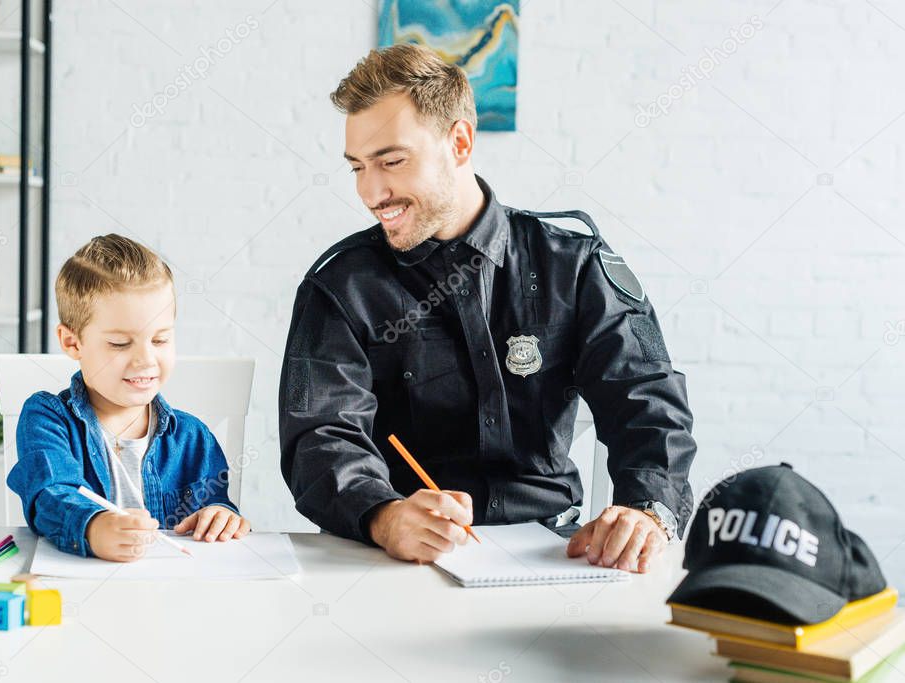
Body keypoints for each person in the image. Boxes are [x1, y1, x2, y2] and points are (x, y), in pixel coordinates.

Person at [279, 44, 696, 573]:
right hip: (394, 559)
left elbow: (648, 401)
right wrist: (383, 515)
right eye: (358, 167)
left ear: (459, 142)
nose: (371, 191)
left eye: (391, 161)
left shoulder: (575, 264)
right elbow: (319, 434)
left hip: (559, 552)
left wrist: (647, 512)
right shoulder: (340, 285)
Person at [8, 234, 250, 561]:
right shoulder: (48, 419)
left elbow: (213, 508)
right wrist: (93, 527)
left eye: (160, 340)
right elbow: (49, 495)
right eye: (121, 344)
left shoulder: (193, 438)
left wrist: (221, 516)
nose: (145, 360)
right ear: (72, 343)